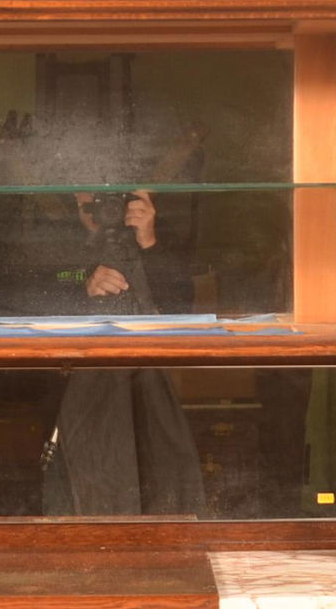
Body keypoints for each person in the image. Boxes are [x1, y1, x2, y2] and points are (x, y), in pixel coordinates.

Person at [35, 188, 208, 516]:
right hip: (75, 391)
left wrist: (149, 243)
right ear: (74, 199)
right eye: (89, 201)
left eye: (111, 198)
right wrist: (83, 284)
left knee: (161, 483)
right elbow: (28, 295)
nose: (102, 209)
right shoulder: (54, 236)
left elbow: (184, 307)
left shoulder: (156, 232)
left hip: (150, 388)